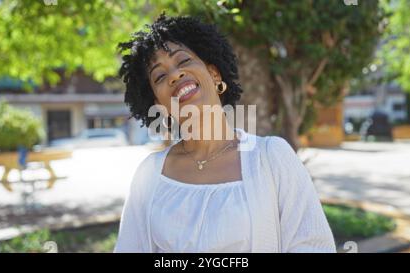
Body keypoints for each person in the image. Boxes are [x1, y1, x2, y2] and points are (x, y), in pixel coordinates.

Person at [114, 14, 336, 253]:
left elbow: (313, 247)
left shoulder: (272, 157)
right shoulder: (149, 175)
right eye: (159, 76)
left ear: (214, 74)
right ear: (159, 104)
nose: (175, 75)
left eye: (184, 61)